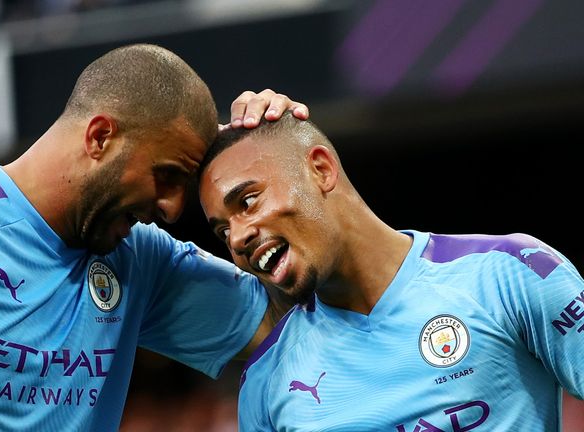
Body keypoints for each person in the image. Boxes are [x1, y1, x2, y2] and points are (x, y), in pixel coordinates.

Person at [0, 43, 308, 431]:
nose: (173, 209)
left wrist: (280, 159)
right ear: (99, 137)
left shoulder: (140, 259)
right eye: (166, 176)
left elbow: (296, 323)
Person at [198, 112, 584, 431]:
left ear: (320, 169)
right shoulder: (267, 382)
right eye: (222, 230)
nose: (237, 238)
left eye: (248, 201)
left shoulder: (511, 272)